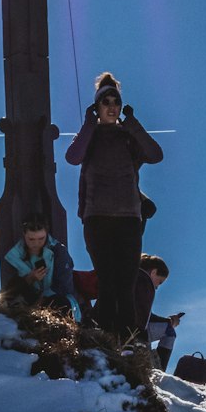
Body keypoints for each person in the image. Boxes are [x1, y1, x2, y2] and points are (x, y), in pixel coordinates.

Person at [64, 72, 163, 345]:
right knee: (107, 281)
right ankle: (105, 340)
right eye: (105, 102)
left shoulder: (128, 137)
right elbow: (72, 157)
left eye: (115, 102)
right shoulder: (91, 136)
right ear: (97, 107)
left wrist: (132, 123)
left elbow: (156, 154)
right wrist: (88, 124)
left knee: (127, 282)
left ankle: (128, 342)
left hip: (128, 219)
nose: (111, 107)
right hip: (97, 218)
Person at [3, 215, 81, 317]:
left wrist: (41, 300)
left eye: (41, 238)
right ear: (24, 235)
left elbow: (64, 286)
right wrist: (29, 279)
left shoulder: (58, 251)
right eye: (31, 239)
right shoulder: (14, 256)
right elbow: (8, 290)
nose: (36, 243)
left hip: (54, 301)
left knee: (60, 304)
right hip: (27, 301)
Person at [135, 254, 184, 371]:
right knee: (169, 332)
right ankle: (159, 371)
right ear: (153, 272)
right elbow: (145, 318)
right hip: (134, 332)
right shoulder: (144, 283)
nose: (157, 287)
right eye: (160, 282)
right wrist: (169, 323)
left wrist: (168, 320)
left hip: (118, 327)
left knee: (167, 326)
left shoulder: (132, 277)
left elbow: (145, 316)